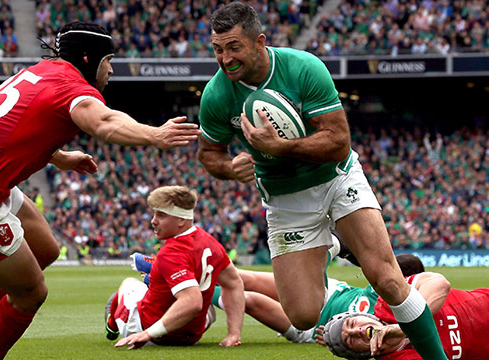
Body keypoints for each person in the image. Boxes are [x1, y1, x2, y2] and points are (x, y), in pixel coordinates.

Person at [0, 21, 200, 360]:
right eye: (108, 59)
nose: (111, 68)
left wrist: (59, 158)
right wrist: (155, 135)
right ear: (89, 58)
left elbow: (12, 127)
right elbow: (104, 122)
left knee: (46, 250)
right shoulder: (72, 88)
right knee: (31, 293)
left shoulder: (42, 73)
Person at [196, 3, 446, 359]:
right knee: (302, 315)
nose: (225, 59)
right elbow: (209, 154)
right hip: (285, 199)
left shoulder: (303, 68)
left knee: (387, 278)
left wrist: (280, 147)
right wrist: (229, 168)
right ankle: (332, 243)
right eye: (218, 49)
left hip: (337, 178)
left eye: (234, 47)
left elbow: (337, 142)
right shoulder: (217, 95)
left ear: (259, 42)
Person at [128, 235, 426, 344]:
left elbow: (377, 342)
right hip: (333, 290)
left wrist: (336, 341)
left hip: (312, 324)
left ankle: (175, 285)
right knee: (246, 278)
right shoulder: (383, 290)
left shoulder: (399, 315)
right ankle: (163, 269)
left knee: (247, 299)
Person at [107, 186, 244, 349]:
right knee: (207, 307)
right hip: (192, 335)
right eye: (154, 213)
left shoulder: (171, 252)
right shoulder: (211, 242)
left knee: (128, 284)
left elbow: (192, 302)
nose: (153, 220)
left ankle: (111, 326)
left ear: (181, 220)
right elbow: (235, 283)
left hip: (156, 331)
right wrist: (234, 333)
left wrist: (148, 334)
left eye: (161, 215)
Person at [318, 273, 489, 359]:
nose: (357, 330)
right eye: (350, 339)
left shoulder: (389, 301)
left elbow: (439, 284)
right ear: (359, 355)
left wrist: (406, 327)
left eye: (352, 323)